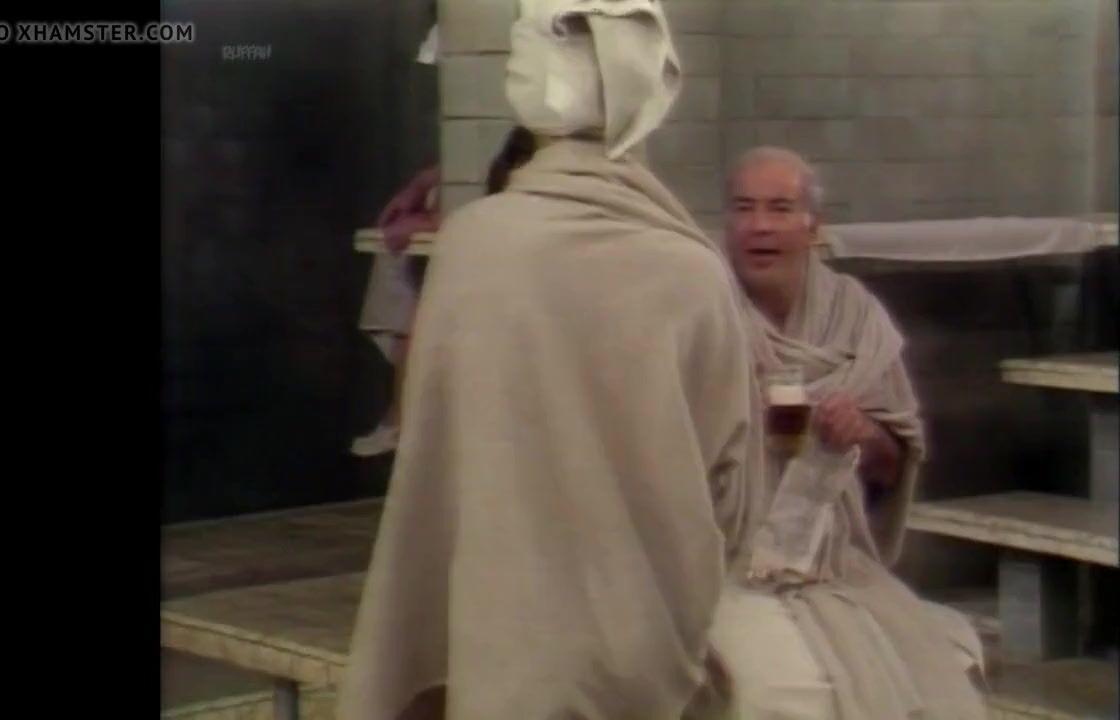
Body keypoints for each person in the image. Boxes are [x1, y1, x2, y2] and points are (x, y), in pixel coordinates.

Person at [336, 3, 758, 719]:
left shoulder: (473, 248)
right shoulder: (694, 271)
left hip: (506, 641)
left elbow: (428, 445)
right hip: (652, 643)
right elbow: (735, 493)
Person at [709, 145, 988, 719]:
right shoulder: (702, 311)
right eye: (744, 207)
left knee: (936, 686)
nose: (760, 225)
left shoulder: (855, 315)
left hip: (832, 556)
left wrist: (863, 435)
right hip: (724, 557)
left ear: (813, 226)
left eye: (780, 208)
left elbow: (894, 464)